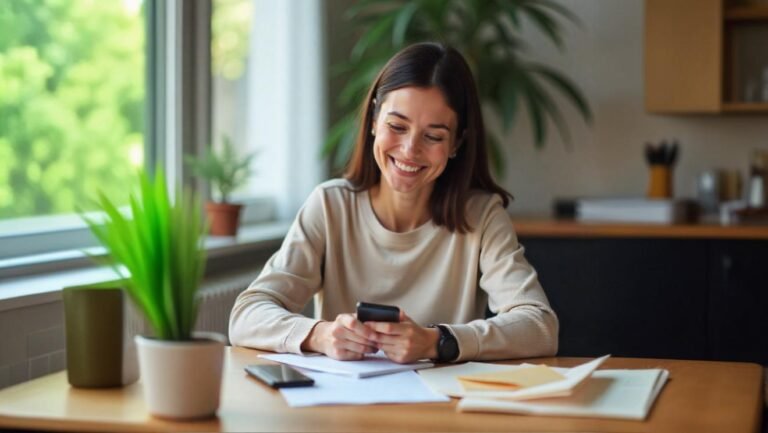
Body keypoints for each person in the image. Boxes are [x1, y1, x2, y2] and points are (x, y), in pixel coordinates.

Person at [229, 42, 558, 364]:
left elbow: (540, 326)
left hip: (446, 409)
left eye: (433, 136)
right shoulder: (330, 206)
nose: (410, 150)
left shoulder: (482, 216)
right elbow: (246, 315)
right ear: (373, 120)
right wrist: (319, 334)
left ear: (457, 142)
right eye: (397, 126)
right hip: (342, 409)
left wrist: (438, 341)